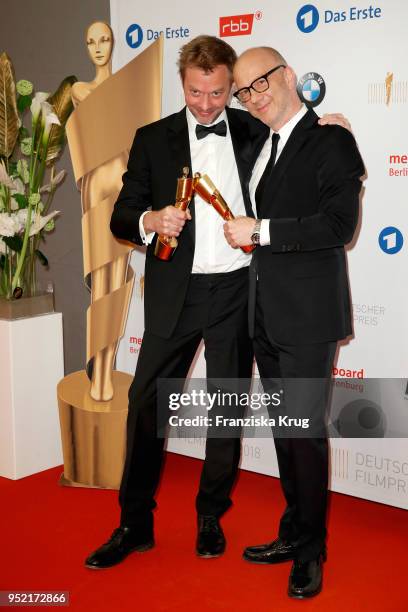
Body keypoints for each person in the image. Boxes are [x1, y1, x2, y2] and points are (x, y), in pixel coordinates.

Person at [85, 34, 351, 570]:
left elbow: (298, 139)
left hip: (238, 294)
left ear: (232, 88)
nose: (206, 104)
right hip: (174, 294)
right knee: (144, 408)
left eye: (218, 93)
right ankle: (133, 523)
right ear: (182, 84)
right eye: (195, 93)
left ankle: (211, 515)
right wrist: (148, 221)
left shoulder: (255, 127)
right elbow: (119, 215)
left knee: (225, 413)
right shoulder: (152, 138)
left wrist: (331, 124)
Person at [224, 47, 364, 599]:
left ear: (288, 76)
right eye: (243, 91)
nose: (253, 98)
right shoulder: (260, 141)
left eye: (260, 84)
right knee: (287, 433)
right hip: (266, 315)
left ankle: (311, 550)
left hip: (308, 319)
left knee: (305, 434)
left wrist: (262, 231)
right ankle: (293, 529)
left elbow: (340, 224)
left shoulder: (331, 139)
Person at [70, 21, 131, 402]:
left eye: (104, 39)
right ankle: (99, 372)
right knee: (99, 285)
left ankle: (105, 369)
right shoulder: (80, 90)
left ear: (113, 43)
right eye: (91, 41)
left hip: (124, 188)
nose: (97, 47)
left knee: (117, 282)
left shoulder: (129, 88)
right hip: (95, 189)